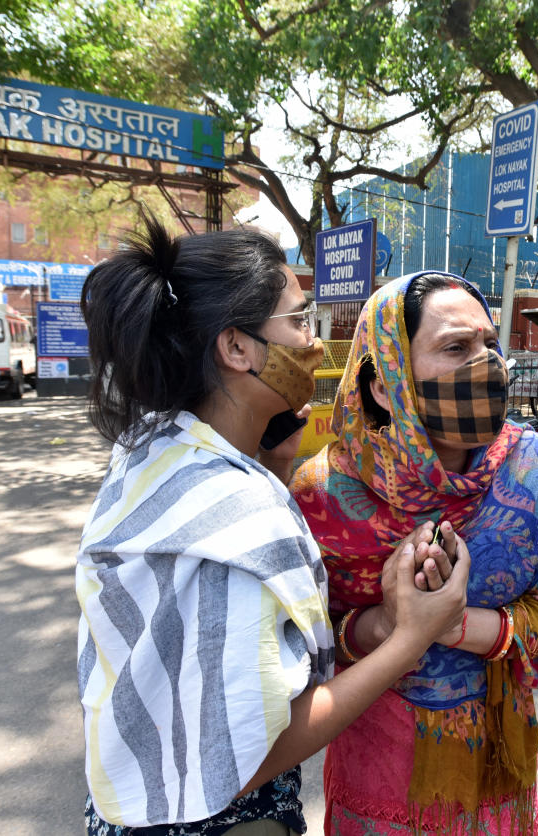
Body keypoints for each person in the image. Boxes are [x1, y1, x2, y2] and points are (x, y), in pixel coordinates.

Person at [75, 219, 468, 836]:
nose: (314, 342)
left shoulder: (148, 447)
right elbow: (254, 750)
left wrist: (274, 464)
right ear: (237, 349)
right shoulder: (238, 507)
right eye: (299, 321)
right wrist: (411, 637)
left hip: (131, 801)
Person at [291, 271, 538, 835]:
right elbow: (303, 658)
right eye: (456, 347)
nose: (488, 364)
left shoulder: (533, 470)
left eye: (490, 346)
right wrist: (388, 625)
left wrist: (449, 623)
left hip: (494, 773)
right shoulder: (321, 495)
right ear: (385, 383)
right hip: (377, 777)